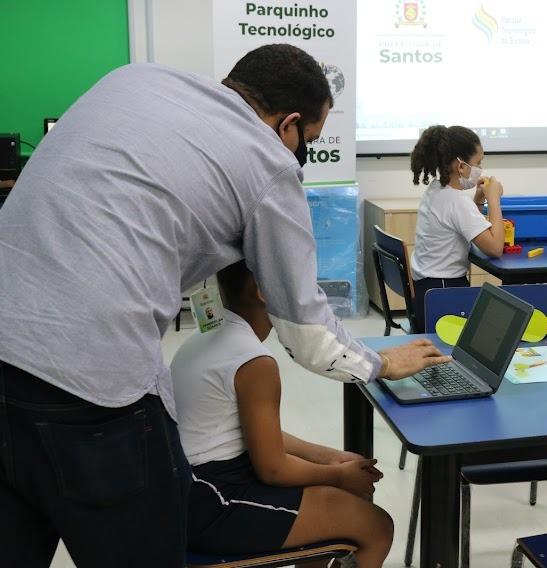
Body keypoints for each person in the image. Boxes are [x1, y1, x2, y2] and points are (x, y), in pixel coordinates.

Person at [0, 44, 448, 567]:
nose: (299, 156)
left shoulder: (133, 80)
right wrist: (382, 362)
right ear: (289, 125)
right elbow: (310, 335)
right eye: (308, 143)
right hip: (93, 383)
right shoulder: (269, 164)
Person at [172, 260, 392, 567]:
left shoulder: (210, 333)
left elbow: (250, 434)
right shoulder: (254, 362)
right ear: (264, 291)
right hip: (214, 503)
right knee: (377, 526)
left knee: (335, 507)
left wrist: (328, 458)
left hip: (186, 489)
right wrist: (339, 476)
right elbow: (273, 469)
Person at [408, 125, 506, 332]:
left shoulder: (436, 190)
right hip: (445, 293)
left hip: (426, 289)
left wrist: (479, 201)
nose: (481, 169)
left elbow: (469, 227)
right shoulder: (457, 201)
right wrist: (494, 199)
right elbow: (495, 247)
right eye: (478, 163)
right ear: (461, 166)